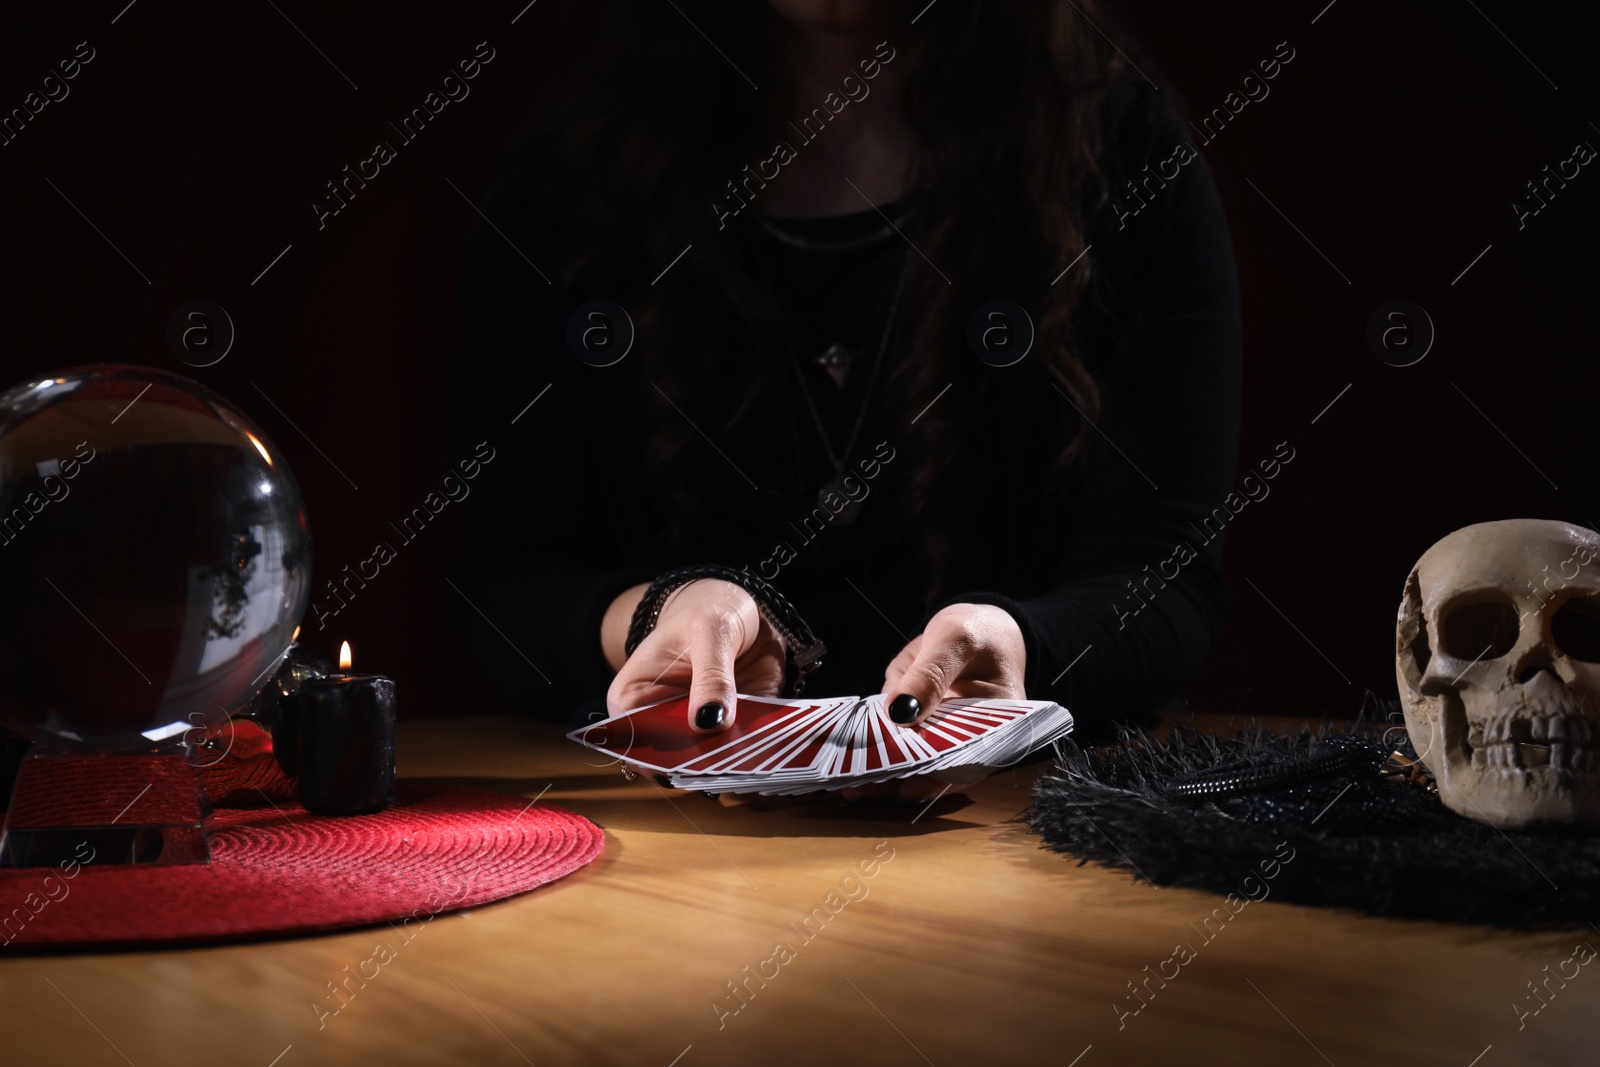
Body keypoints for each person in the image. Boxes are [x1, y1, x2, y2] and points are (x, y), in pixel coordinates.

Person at [452, 0, 1241, 746]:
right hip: (669, 845)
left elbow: (1166, 579)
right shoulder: (570, 181)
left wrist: (1019, 643)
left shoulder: (1123, 161)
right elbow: (509, 579)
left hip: (1018, 828)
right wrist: (658, 614)